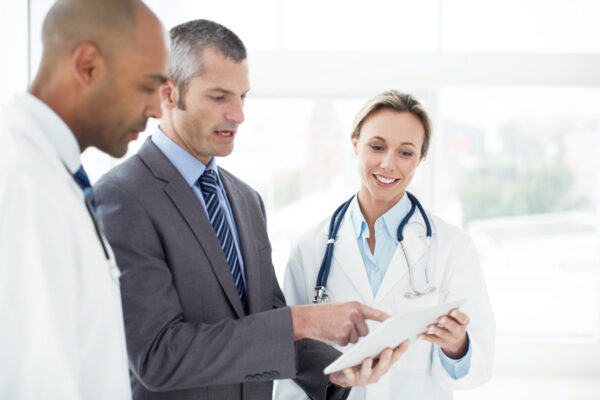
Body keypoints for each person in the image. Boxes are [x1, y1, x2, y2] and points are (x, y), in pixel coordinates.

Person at [94, 19, 408, 400]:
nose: (238, 115)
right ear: (169, 94)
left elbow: (265, 316)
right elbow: (159, 356)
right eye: (219, 97)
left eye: (242, 97)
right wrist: (301, 319)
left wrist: (335, 372)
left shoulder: (244, 199)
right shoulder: (123, 196)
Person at [275, 91, 496, 400]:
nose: (388, 164)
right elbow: (286, 362)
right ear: (355, 143)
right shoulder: (309, 249)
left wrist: (457, 346)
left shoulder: (453, 248)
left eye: (405, 153)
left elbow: (481, 364)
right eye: (376, 147)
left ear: (420, 158)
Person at [0, 0, 168, 398]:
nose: (155, 110)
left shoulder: (55, 174)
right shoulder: (22, 183)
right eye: (147, 86)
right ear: (88, 66)